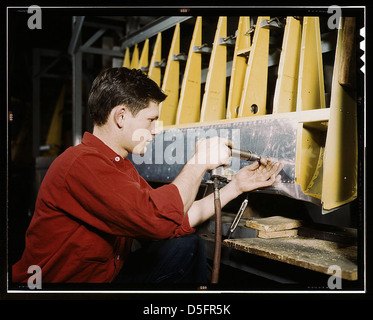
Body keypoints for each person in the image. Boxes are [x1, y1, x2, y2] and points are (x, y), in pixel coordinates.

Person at [12, 67, 283, 285]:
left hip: (104, 278)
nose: (155, 130)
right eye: (150, 120)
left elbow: (174, 218)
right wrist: (199, 161)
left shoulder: (119, 167)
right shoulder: (80, 164)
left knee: (186, 246)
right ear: (120, 116)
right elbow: (157, 220)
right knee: (184, 247)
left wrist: (236, 186)